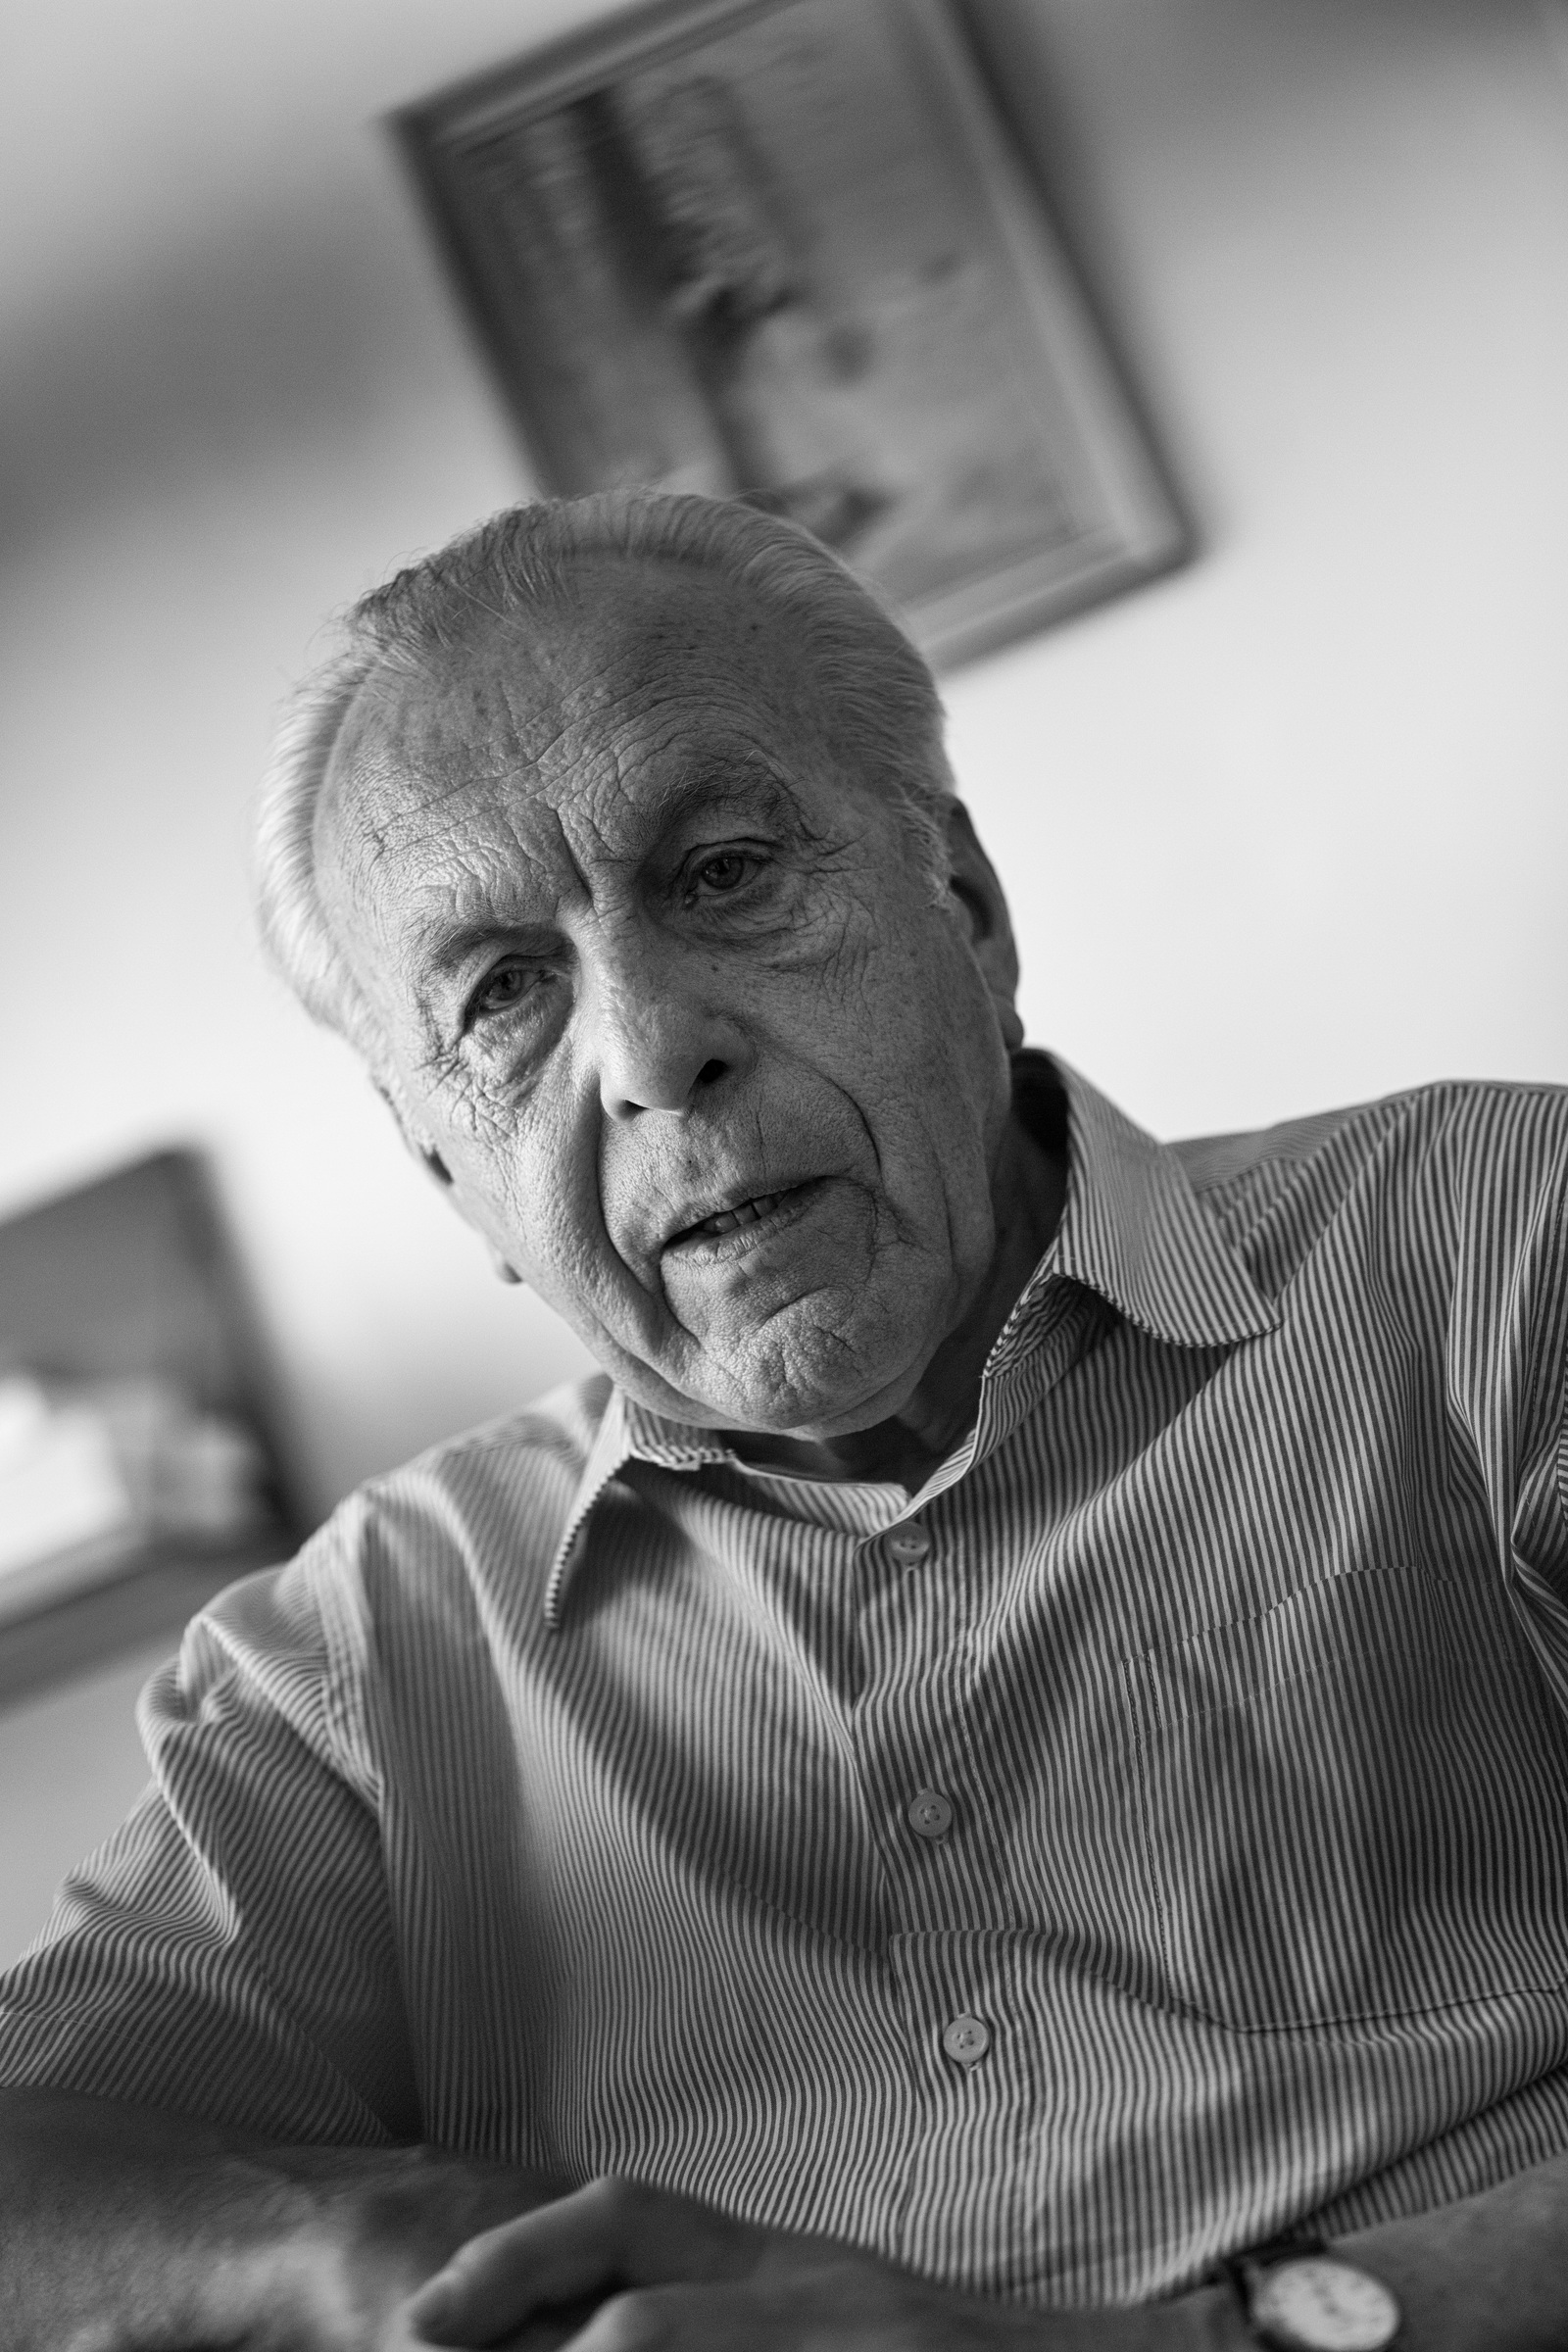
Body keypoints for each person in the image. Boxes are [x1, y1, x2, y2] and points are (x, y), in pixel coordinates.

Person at [2, 491, 1565, 2352]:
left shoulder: (1499, 1245)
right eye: (502, 995)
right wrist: (361, 2241)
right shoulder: (351, 1664)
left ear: (967, 910)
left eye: (726, 872)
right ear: (446, 1176)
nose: (653, 1052)